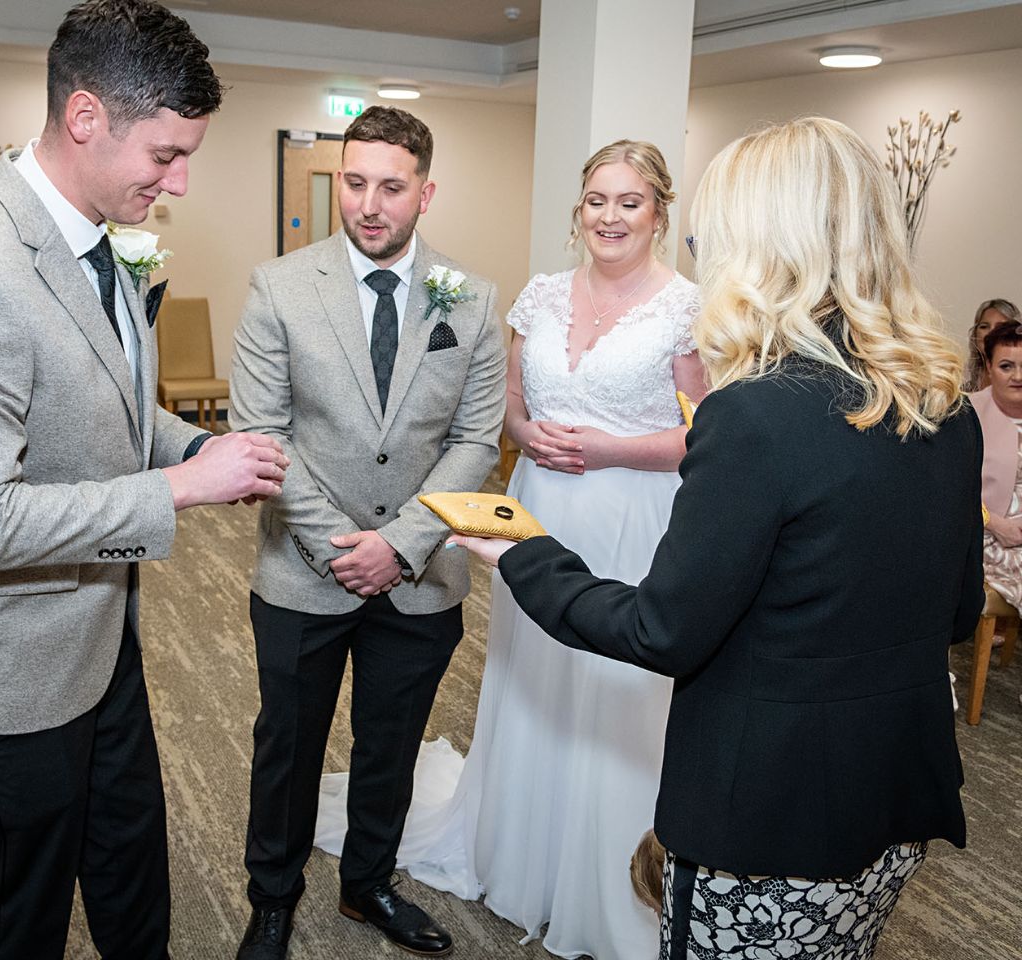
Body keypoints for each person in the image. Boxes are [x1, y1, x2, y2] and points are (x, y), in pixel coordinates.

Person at [452, 117, 982, 960]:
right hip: (892, 790)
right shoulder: (942, 400)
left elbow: (660, 631)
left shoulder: (755, 415)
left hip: (766, 812)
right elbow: (956, 611)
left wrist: (526, 553)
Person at [0, 3, 289, 957]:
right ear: (84, 117)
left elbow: (108, 405)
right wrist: (181, 492)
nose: (179, 182)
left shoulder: (96, 234)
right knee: (21, 914)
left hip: (104, 632)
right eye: (165, 154)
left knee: (130, 871)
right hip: (10, 666)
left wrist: (195, 449)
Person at [316, 139, 707, 960]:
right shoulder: (541, 296)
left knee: (615, 681)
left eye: (629, 202)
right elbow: (512, 405)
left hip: (633, 517)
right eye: (596, 200)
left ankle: (604, 872)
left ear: (658, 214)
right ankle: (521, 848)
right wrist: (528, 437)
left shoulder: (684, 309)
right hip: (539, 509)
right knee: (536, 674)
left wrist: (608, 448)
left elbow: (700, 436)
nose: (609, 217)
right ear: (579, 209)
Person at [228, 105, 506, 960]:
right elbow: (261, 432)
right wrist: (344, 547)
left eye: (391, 186)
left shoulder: (473, 297)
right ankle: (272, 899)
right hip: (302, 568)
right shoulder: (279, 286)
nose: (369, 204)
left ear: (426, 192)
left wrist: (401, 545)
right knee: (289, 747)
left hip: (420, 578)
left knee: (392, 745)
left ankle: (369, 883)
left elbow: (476, 439)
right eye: (355, 183)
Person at [971, 321, 1022, 609]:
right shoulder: (966, 414)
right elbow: (950, 489)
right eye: (1006, 366)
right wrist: (994, 523)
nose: (1018, 376)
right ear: (989, 367)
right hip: (987, 535)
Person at [962, 298, 1020, 391]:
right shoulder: (961, 378)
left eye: (1000, 326)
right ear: (975, 333)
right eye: (984, 327)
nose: (990, 333)